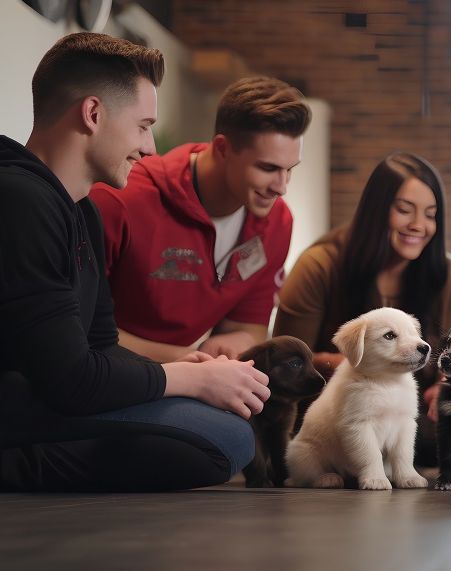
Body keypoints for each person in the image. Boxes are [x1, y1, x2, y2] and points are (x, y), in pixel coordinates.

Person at [0, 33, 269, 492]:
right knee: (220, 439)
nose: (149, 148)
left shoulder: (81, 208)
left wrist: (197, 372)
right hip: (22, 400)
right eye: (143, 126)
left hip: (53, 397)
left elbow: (101, 347)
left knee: (226, 432)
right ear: (93, 113)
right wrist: (187, 380)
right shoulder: (19, 199)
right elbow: (71, 378)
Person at [89, 76, 312, 362]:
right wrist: (188, 361)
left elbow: (248, 326)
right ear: (221, 149)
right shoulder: (121, 200)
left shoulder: (277, 222)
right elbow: (80, 330)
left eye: (289, 169)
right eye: (268, 168)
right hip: (105, 373)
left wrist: (238, 340)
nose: (281, 187)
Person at [273, 151, 451, 465]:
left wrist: (446, 386)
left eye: (431, 214)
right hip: (334, 421)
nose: (419, 225)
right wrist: (355, 364)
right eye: (405, 210)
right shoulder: (320, 266)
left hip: (411, 420)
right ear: (375, 211)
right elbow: (283, 363)